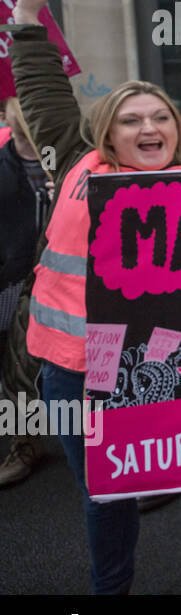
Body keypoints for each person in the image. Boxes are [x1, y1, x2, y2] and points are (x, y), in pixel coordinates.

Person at [9, 0, 181, 594]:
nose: (147, 128)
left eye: (160, 117)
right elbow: (43, 92)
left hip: (176, 365)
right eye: (131, 120)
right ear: (107, 131)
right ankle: (112, 596)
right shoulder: (76, 162)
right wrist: (27, 19)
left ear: (176, 128)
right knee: (107, 491)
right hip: (76, 369)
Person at [0, 97, 53, 485]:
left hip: (65, 277)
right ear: (6, 115)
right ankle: (26, 441)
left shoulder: (72, 157)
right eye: (20, 103)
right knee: (13, 365)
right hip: (12, 278)